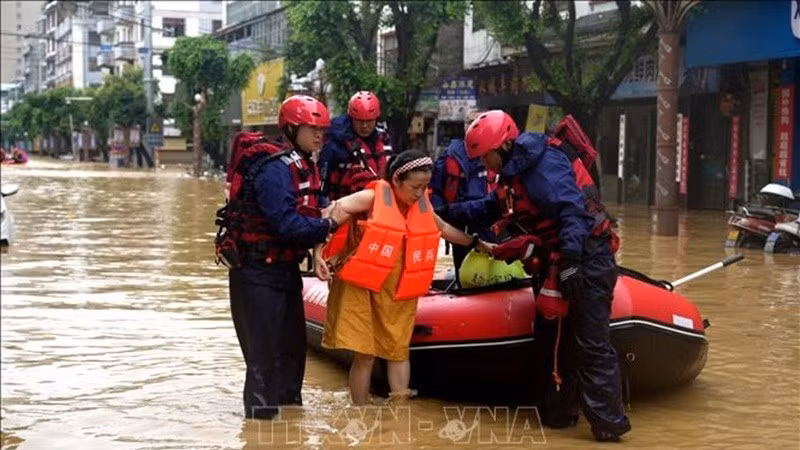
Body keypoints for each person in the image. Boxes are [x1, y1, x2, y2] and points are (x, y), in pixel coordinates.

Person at [438, 111, 630, 442]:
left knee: (589, 342)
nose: (485, 163)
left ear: (506, 144)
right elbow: (490, 207)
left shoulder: (544, 166)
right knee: (549, 340)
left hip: (587, 259)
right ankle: (558, 414)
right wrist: (442, 213)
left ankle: (609, 425)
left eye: (486, 155)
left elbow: (573, 212)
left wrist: (571, 262)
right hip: (555, 262)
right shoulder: (514, 174)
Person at [313, 149, 493, 406]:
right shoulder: (371, 197)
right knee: (365, 355)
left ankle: (399, 413)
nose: (420, 193)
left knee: (399, 351)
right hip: (361, 288)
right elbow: (332, 211)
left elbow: (441, 228)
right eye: (415, 187)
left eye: (424, 187)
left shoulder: (419, 205)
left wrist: (476, 243)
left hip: (396, 291)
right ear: (396, 180)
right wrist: (319, 253)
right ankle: (360, 413)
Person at [218, 95, 349, 420]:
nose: (320, 136)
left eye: (323, 130)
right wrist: (329, 224)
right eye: (312, 129)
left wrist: (320, 240)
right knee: (264, 360)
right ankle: (260, 430)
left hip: (284, 272)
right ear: (292, 128)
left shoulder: (304, 163)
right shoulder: (275, 169)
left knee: (291, 355)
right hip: (256, 275)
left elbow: (307, 213)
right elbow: (286, 223)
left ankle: (291, 426)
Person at [429, 109, 498, 276]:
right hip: (461, 221)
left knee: (495, 266)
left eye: (479, 122)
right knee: (464, 269)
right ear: (464, 126)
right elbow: (435, 190)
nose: (474, 127)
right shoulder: (449, 156)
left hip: (490, 220)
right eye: (470, 123)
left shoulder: (495, 154)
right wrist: (442, 218)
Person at [318, 91, 393, 201]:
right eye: (359, 121)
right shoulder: (334, 144)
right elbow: (322, 183)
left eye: (369, 121)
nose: (364, 126)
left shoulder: (384, 139)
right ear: (351, 118)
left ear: (376, 119)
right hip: (346, 207)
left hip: (381, 205)